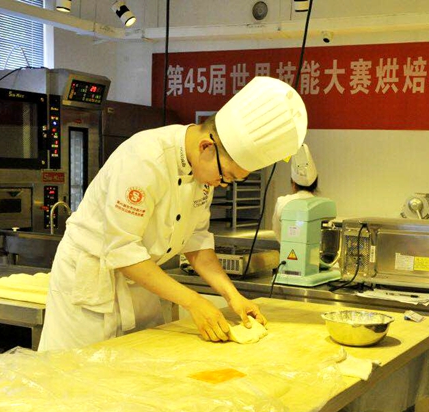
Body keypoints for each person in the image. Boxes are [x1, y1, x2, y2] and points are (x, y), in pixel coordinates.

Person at [39, 77, 307, 351]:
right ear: (206, 147)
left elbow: (197, 242)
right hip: (91, 285)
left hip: (142, 280)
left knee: (138, 367)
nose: (223, 184)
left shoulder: (204, 172)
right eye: (226, 175)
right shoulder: (144, 159)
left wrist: (232, 296)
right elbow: (122, 249)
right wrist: (194, 302)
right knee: (76, 371)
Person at [271, 143, 318, 243]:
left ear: (293, 183)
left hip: (286, 250)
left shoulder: (282, 202)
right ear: (315, 184)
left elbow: (277, 232)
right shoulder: (322, 205)